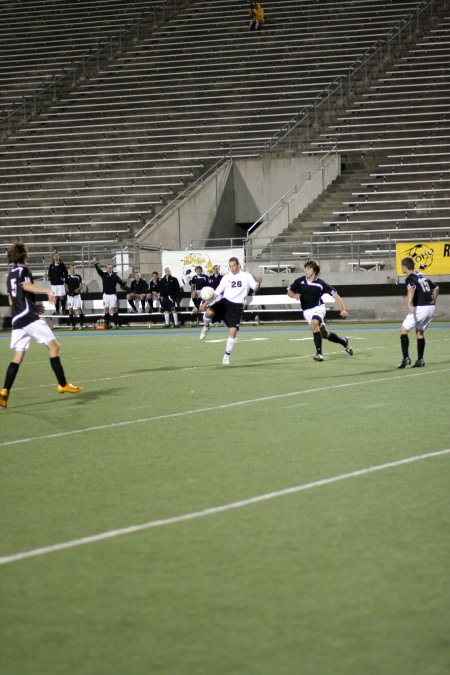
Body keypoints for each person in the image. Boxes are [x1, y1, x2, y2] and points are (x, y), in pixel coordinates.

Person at [0, 241, 81, 409]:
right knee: (54, 346)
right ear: (24, 255)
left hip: (17, 319)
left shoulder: (10, 275)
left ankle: (4, 390)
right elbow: (26, 285)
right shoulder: (24, 270)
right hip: (28, 317)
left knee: (18, 356)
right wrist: (46, 291)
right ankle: (62, 383)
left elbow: (11, 299)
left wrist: (30, 303)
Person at [287, 259, 353, 362]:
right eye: (305, 268)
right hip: (307, 312)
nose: (306, 270)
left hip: (319, 308)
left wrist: (342, 310)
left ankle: (319, 354)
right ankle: (344, 342)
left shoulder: (321, 284)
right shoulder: (300, 281)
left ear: (314, 270)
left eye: (308, 268)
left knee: (314, 325)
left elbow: (336, 296)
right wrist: (294, 295)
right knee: (325, 334)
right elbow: (290, 292)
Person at [199, 257, 261, 365]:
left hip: (237, 307)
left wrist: (259, 283)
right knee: (208, 313)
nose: (232, 268)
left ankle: (226, 356)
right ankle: (206, 327)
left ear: (238, 265)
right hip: (225, 302)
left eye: (234, 265)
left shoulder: (246, 276)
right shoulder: (226, 277)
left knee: (233, 332)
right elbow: (217, 293)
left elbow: (255, 288)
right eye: (230, 266)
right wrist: (206, 303)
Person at [397, 256, 439, 368]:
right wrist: (433, 302)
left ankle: (405, 358)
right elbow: (436, 288)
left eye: (402, 266)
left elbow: (411, 288)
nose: (401, 268)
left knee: (403, 330)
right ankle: (420, 360)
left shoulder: (410, 277)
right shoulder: (421, 275)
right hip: (430, 307)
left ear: (405, 267)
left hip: (420, 307)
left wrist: (409, 303)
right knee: (419, 332)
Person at [92, 257, 128, 329]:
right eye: (108, 268)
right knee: (106, 309)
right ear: (106, 268)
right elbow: (98, 270)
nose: (109, 269)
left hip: (113, 295)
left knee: (113, 309)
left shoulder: (115, 275)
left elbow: (120, 282)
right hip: (106, 295)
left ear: (112, 268)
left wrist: (124, 282)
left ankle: (115, 324)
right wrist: (95, 263)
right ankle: (107, 324)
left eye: (111, 268)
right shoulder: (104, 274)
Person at [48, 250, 68, 315]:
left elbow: (66, 272)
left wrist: (63, 278)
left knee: (62, 296)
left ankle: (63, 309)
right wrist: (51, 279)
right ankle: (57, 310)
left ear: (59, 257)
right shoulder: (51, 266)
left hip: (60, 284)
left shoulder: (62, 265)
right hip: (54, 284)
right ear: (53, 257)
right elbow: (49, 274)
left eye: (57, 255)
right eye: (55, 256)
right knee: (55, 297)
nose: (56, 257)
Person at [65, 264, 85, 330]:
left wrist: (77, 289)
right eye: (71, 268)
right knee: (70, 310)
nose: (72, 270)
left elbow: (81, 286)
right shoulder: (67, 277)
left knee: (79, 309)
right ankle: (72, 325)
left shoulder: (78, 276)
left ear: (75, 269)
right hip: (70, 296)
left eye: (74, 268)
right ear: (69, 269)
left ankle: (81, 324)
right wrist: (67, 291)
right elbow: (66, 285)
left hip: (77, 296)